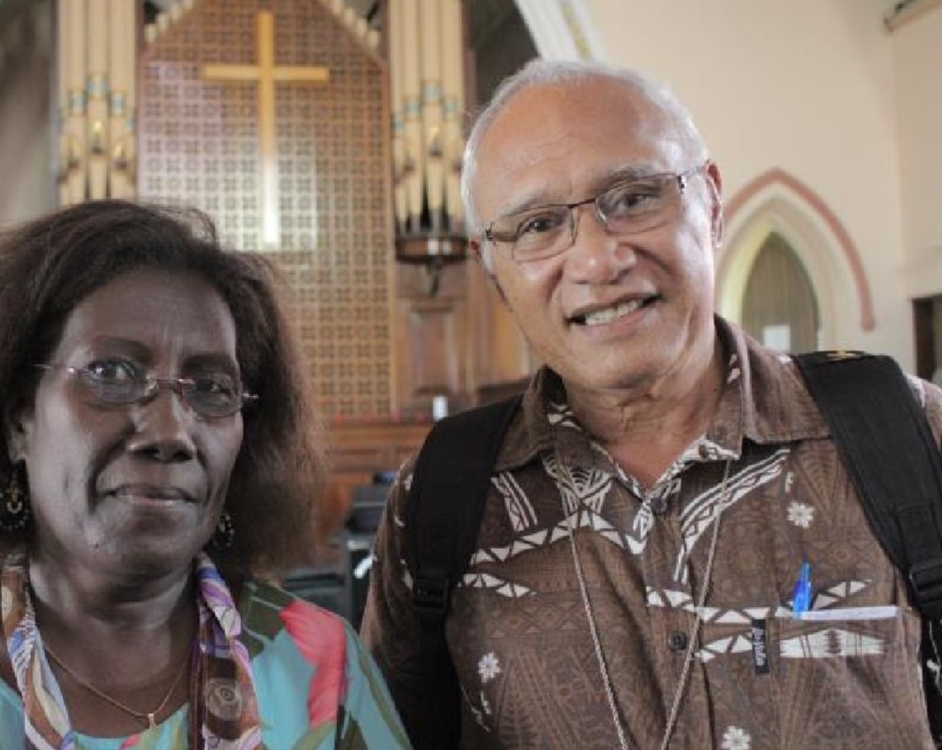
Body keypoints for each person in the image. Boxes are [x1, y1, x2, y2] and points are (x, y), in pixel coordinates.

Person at [360, 57, 942, 750]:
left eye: (633, 197)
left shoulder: (909, 439)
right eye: (538, 225)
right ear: (490, 266)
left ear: (712, 203)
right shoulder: (447, 499)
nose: (599, 260)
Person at [0, 199, 412, 750]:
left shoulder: (322, 670)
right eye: (111, 372)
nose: (171, 433)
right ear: (19, 417)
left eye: (211, 388)